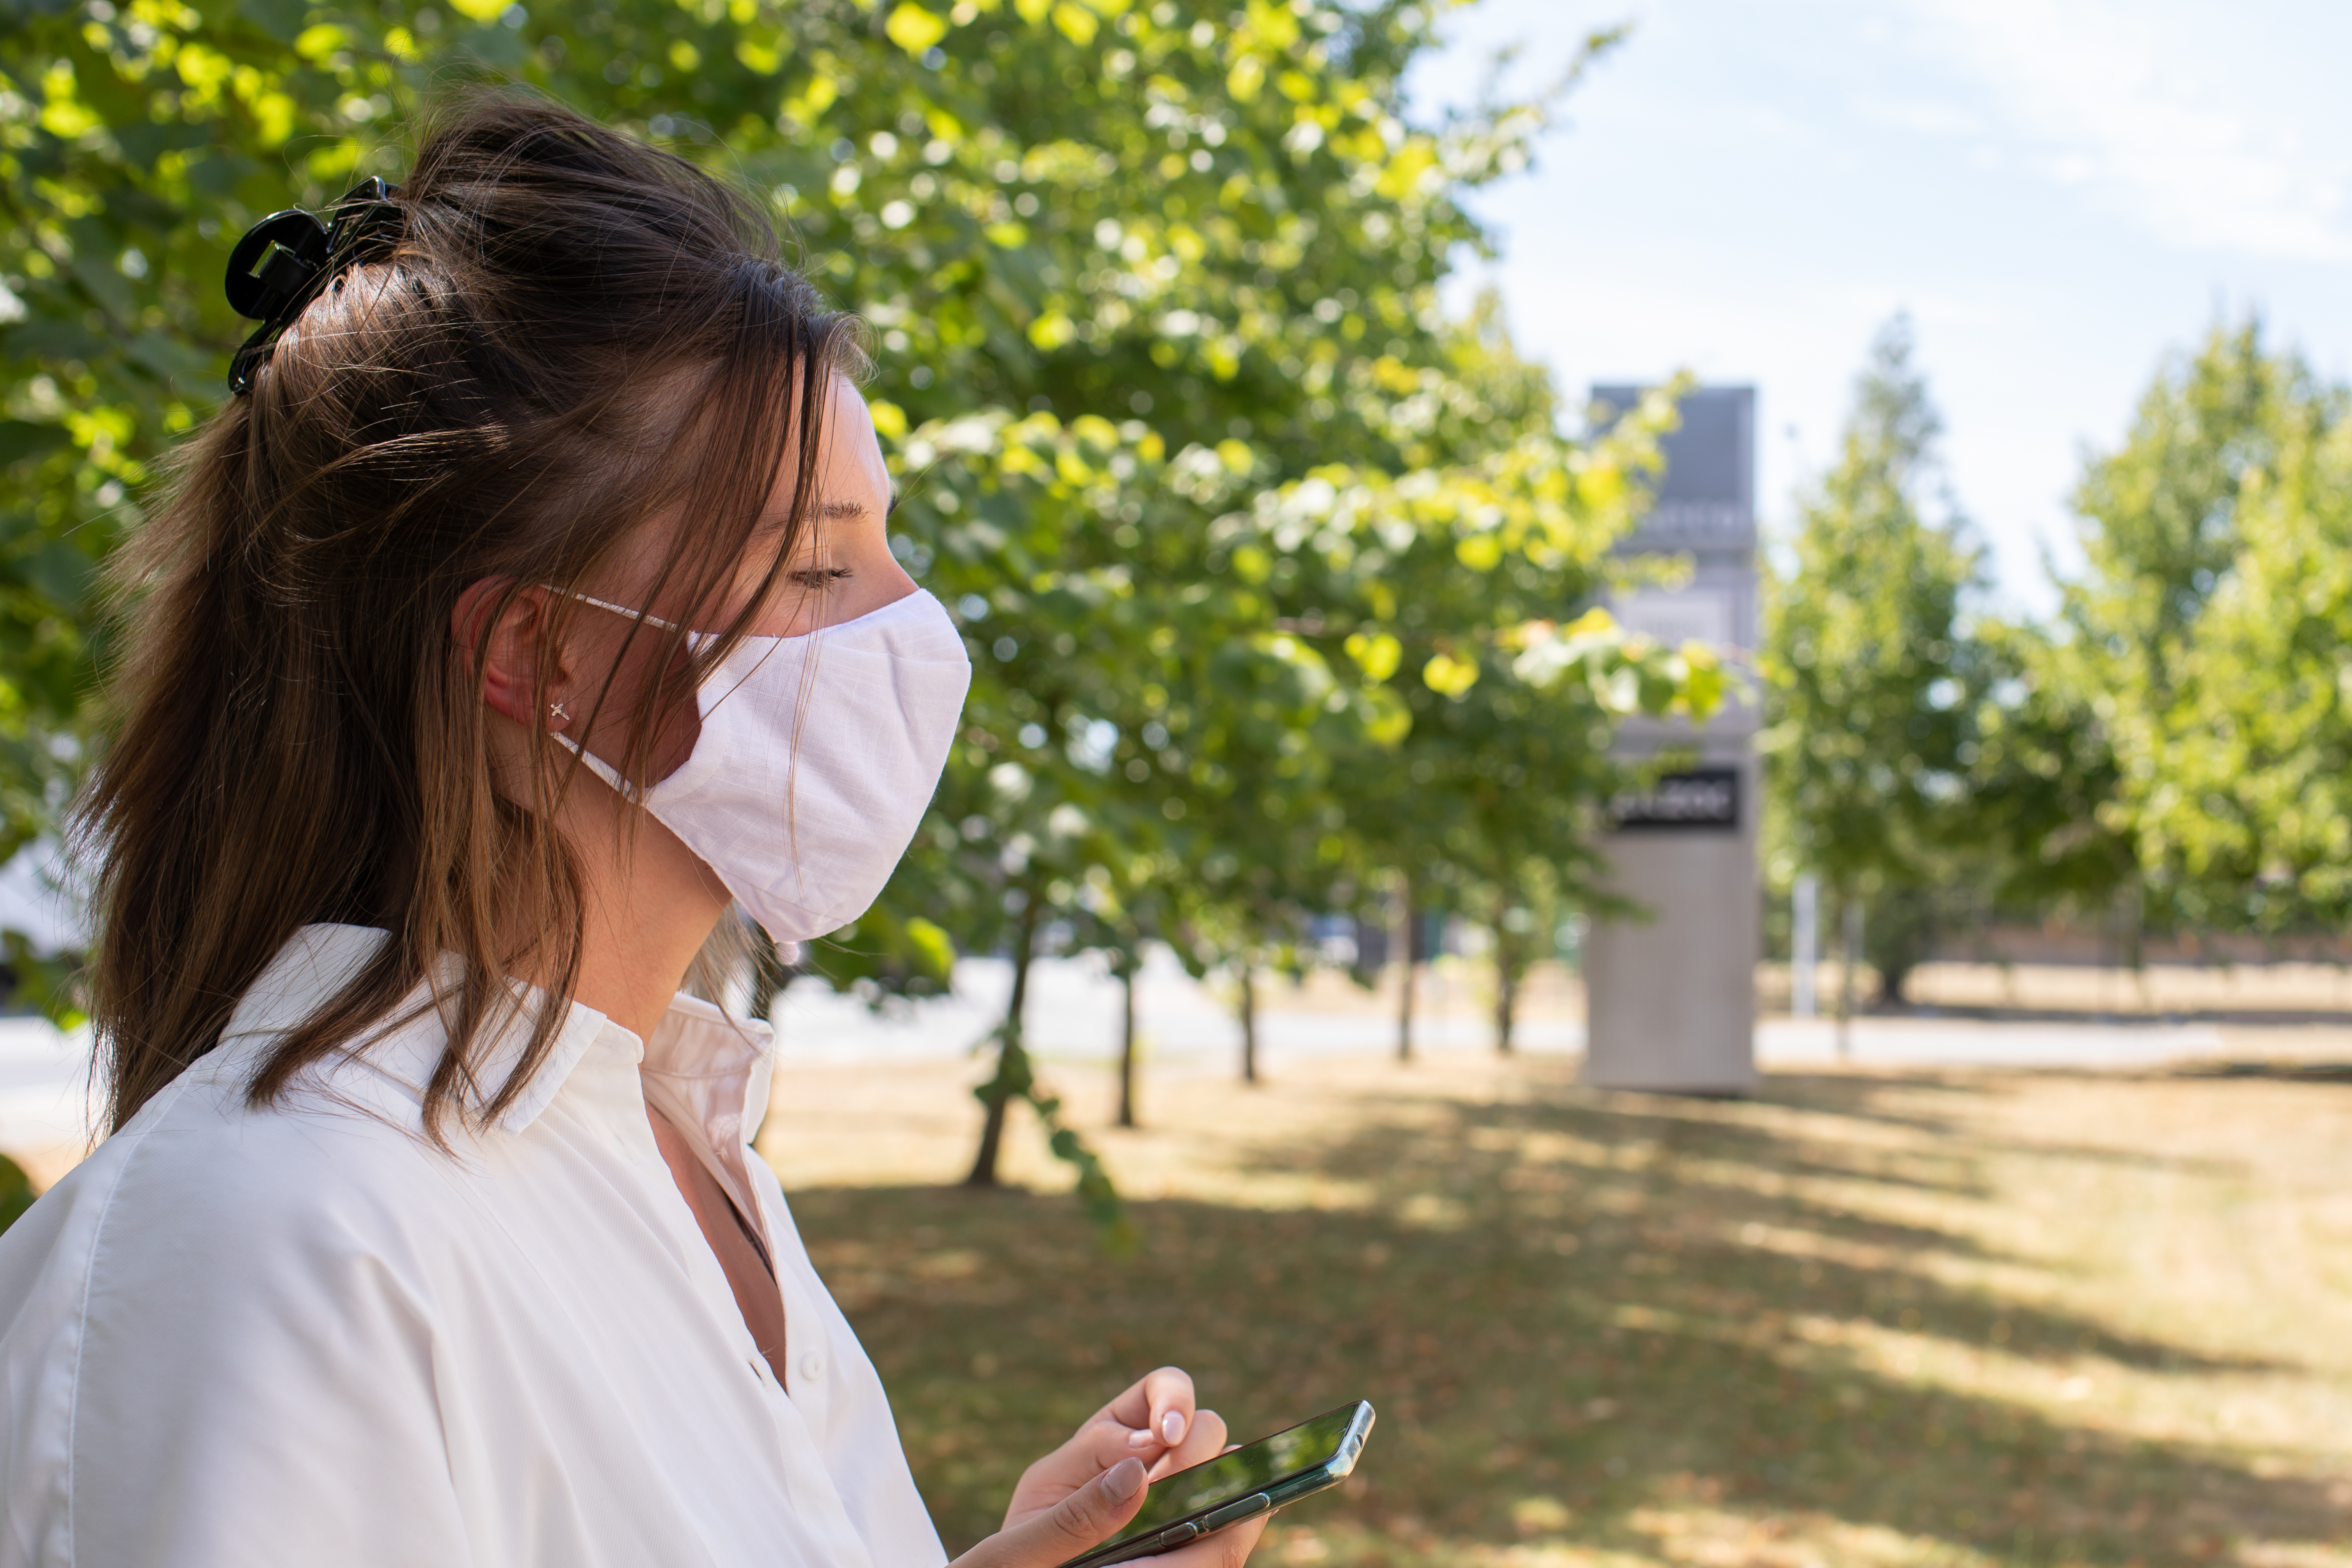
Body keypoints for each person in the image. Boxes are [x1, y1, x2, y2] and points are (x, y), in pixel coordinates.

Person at [0, 92, 1267, 1568]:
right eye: (814, 565)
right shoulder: (274, 1244)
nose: (914, 629)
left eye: (886, 547)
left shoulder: (668, 1132)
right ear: (538, 658)